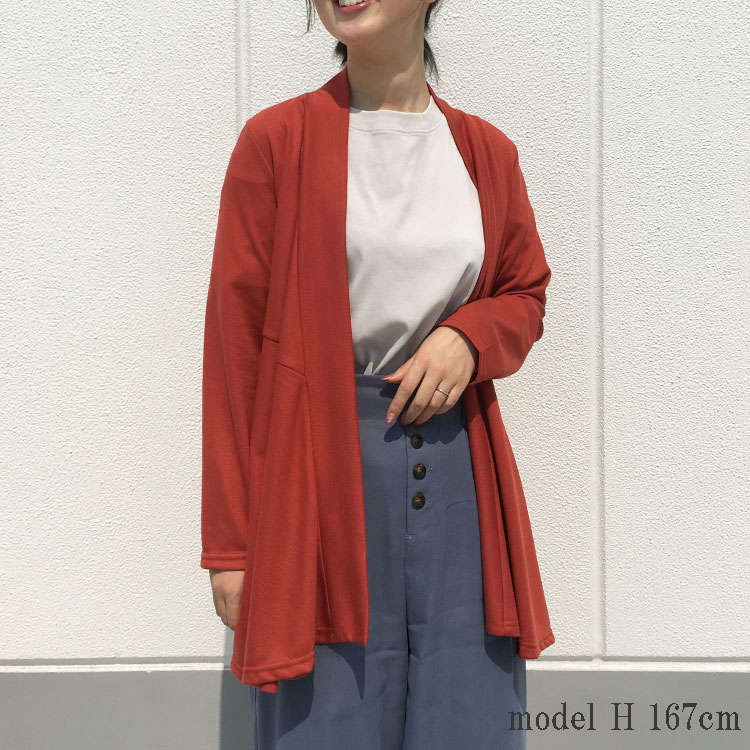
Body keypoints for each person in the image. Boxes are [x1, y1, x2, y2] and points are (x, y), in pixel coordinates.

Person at [201, 0, 554, 747]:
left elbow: (524, 293)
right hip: (316, 486)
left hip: (461, 486)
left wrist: (469, 338)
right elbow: (235, 355)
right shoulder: (277, 144)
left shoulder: (485, 153)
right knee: (325, 722)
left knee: (466, 720)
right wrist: (232, 548)